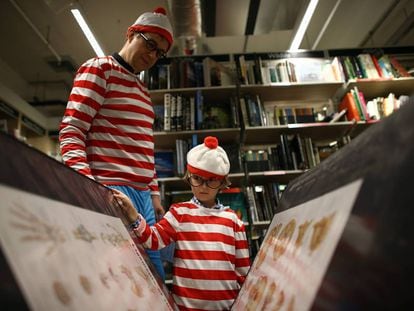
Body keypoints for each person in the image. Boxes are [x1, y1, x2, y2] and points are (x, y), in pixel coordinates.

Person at [59, 7, 174, 280]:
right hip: (110, 189)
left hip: (143, 198)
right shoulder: (99, 69)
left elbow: (145, 148)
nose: (153, 55)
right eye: (150, 44)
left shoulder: (144, 93)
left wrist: (154, 194)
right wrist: (88, 188)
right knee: (116, 278)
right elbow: (72, 131)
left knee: (152, 279)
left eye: (160, 52)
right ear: (132, 33)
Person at [113, 136, 251, 310]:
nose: (203, 186)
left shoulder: (233, 220)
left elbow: (243, 272)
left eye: (212, 180)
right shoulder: (178, 213)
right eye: (197, 178)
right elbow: (152, 240)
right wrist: (133, 215)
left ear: (223, 182)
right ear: (189, 176)